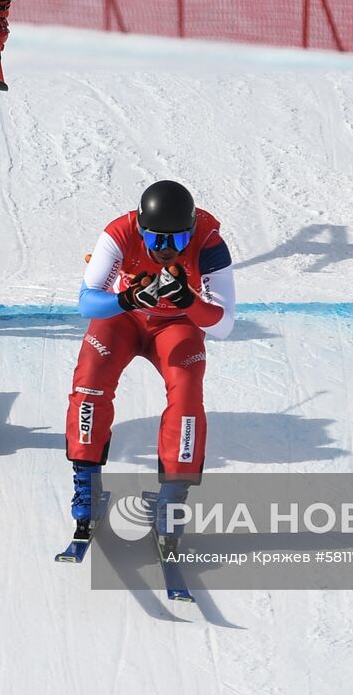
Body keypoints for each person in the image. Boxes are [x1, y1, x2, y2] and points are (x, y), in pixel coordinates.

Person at [64, 180, 236, 547]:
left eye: (177, 241)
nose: (165, 251)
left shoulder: (209, 243)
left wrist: (189, 301)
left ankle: (172, 502)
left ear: (192, 231)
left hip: (176, 325)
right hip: (123, 319)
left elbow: (224, 324)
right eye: (156, 239)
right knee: (90, 382)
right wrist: (127, 299)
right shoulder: (119, 233)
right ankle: (86, 488)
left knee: (187, 397)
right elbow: (87, 303)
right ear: (139, 229)